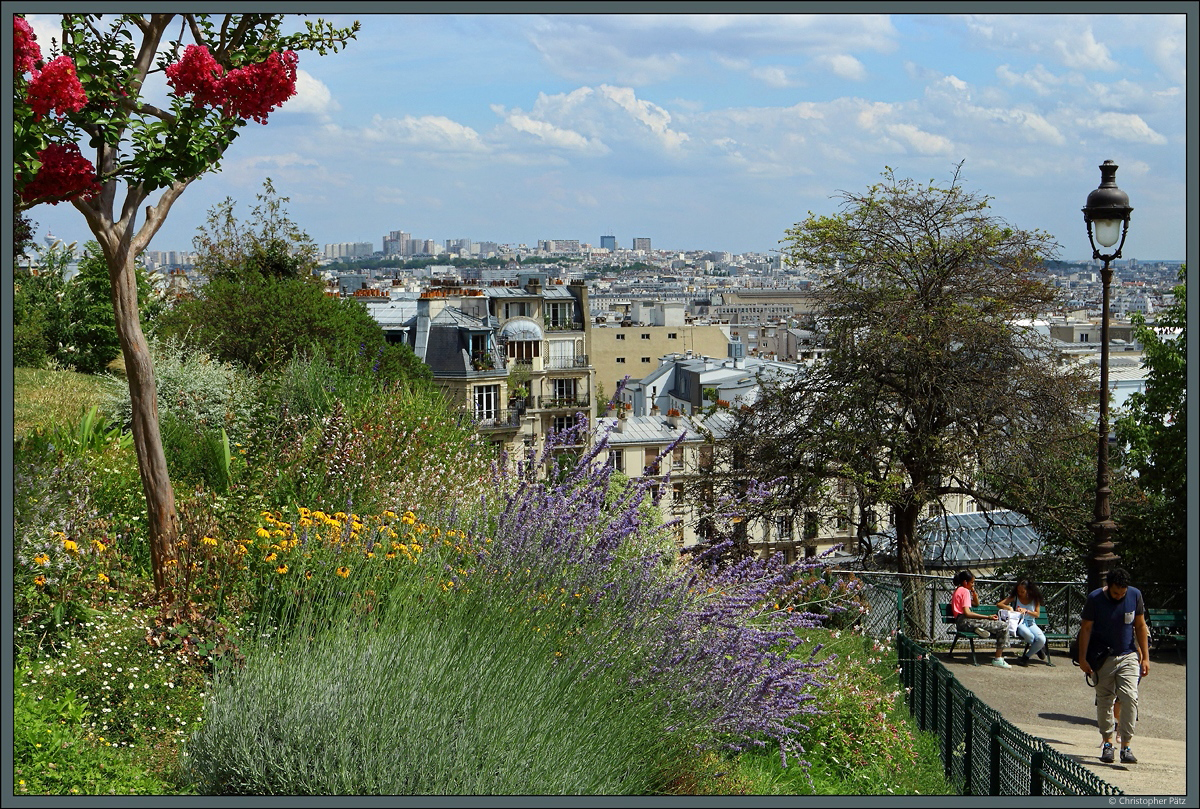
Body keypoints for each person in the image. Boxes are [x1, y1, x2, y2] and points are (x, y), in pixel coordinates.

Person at [1077, 567, 1150, 765]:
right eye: (1116, 592)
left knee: (1130, 697)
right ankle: (1107, 743)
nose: (1119, 596)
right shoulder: (1094, 598)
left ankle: (1126, 745)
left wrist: (1145, 657)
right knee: (1105, 700)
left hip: (1128, 655)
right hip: (1103, 657)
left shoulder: (1135, 595)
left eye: (1122, 593)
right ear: (1108, 587)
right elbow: (1086, 628)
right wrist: (1082, 658)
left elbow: (1140, 626)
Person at [950, 570, 1011, 668]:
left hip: (961, 622)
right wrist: (988, 617)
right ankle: (998, 659)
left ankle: (978, 629)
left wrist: (974, 593)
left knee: (989, 624)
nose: (973, 584)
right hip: (966, 621)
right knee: (1003, 626)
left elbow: (976, 604)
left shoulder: (958, 591)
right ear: (965, 582)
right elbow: (967, 613)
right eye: (972, 582)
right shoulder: (965, 591)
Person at [997, 579, 1047, 666]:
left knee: (1042, 639)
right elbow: (999, 604)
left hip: (1031, 623)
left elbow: (1037, 614)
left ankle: (1026, 657)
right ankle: (1038, 648)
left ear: (1028, 590)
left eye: (1022, 591)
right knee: (1029, 636)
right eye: (1018, 591)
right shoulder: (1015, 597)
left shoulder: (1035, 599)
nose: (1020, 593)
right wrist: (1009, 608)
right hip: (1019, 622)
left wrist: (1027, 611)